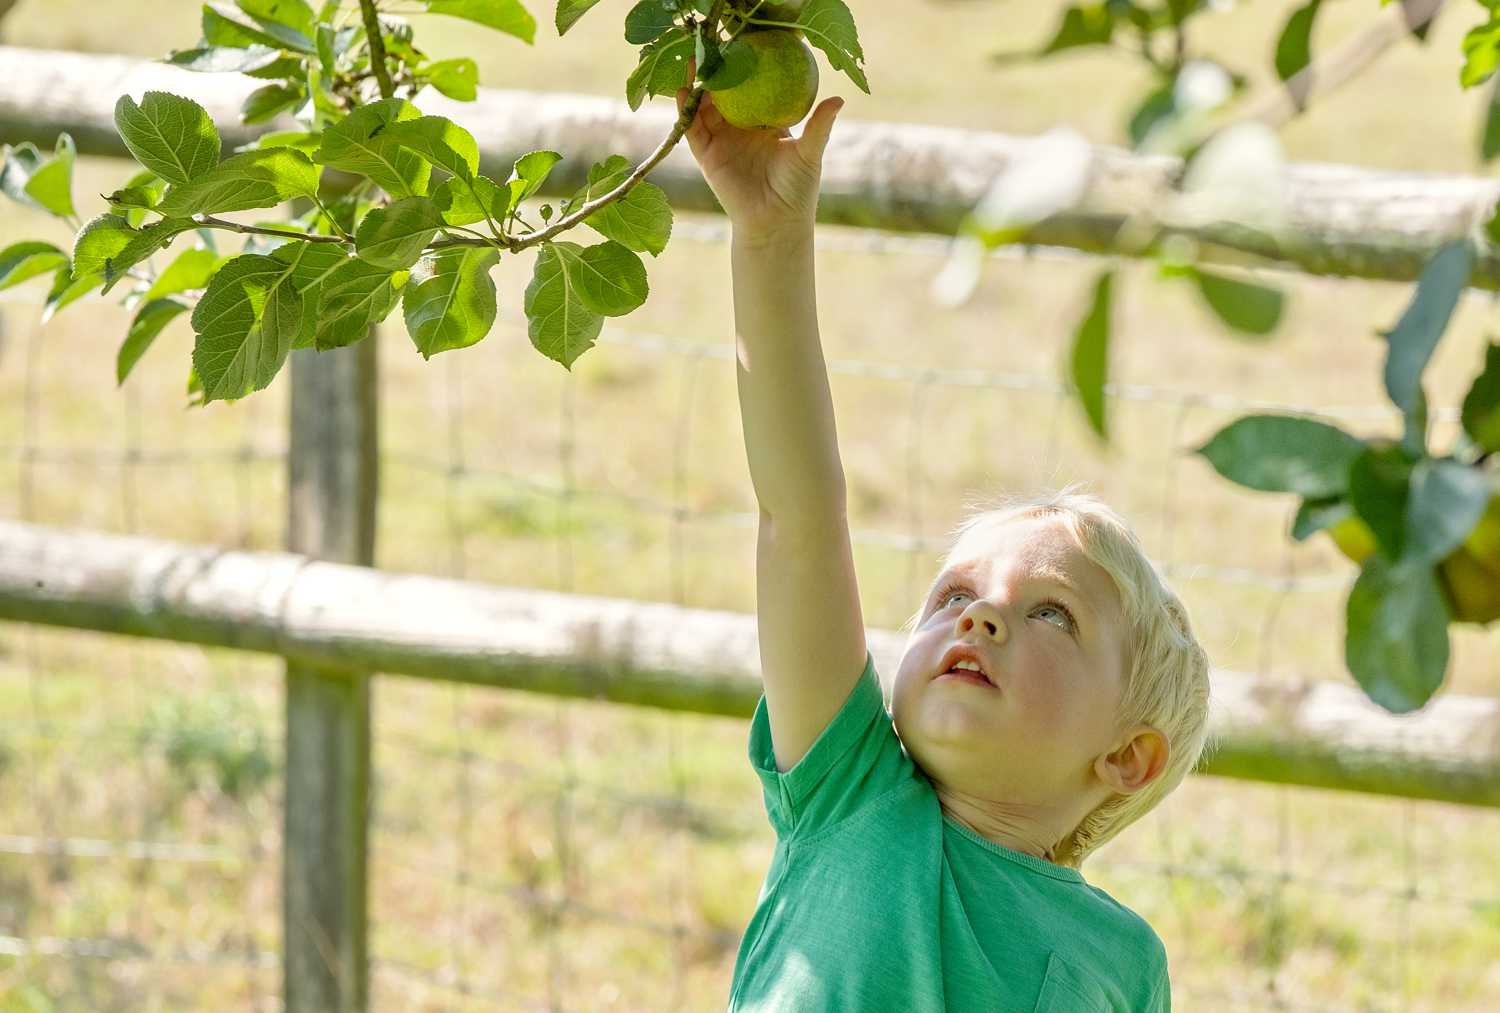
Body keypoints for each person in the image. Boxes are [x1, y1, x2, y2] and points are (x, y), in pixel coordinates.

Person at [676, 67, 1213, 1012]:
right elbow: (800, 520)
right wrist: (769, 237)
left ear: (1127, 756)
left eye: (1052, 614)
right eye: (956, 596)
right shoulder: (848, 796)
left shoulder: (1123, 961)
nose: (984, 620)